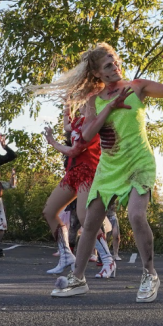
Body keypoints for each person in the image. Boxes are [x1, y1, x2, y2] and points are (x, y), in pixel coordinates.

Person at [46, 38, 163, 303]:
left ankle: (149, 274)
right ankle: (78, 279)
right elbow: (85, 135)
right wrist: (109, 107)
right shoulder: (94, 101)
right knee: (90, 223)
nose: (115, 67)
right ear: (97, 72)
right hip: (109, 166)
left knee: (136, 215)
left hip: (138, 163)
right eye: (108, 65)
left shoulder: (137, 87)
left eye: (116, 62)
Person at [38, 101, 101, 276]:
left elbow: (74, 150)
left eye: (87, 103)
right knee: (49, 211)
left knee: (84, 217)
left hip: (88, 172)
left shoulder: (95, 125)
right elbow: (67, 124)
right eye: (80, 102)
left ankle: (107, 259)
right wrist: (67, 101)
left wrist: (52, 142)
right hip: (72, 173)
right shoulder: (79, 123)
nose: (83, 105)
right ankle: (66, 255)